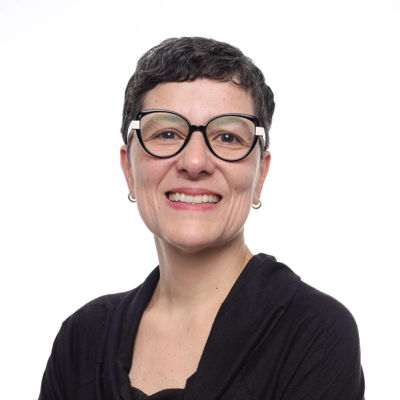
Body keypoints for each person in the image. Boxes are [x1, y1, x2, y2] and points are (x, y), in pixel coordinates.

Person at [39, 37, 365, 400]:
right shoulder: (82, 338)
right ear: (128, 169)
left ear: (260, 175)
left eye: (226, 137)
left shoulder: (314, 332)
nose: (194, 162)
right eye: (167, 134)